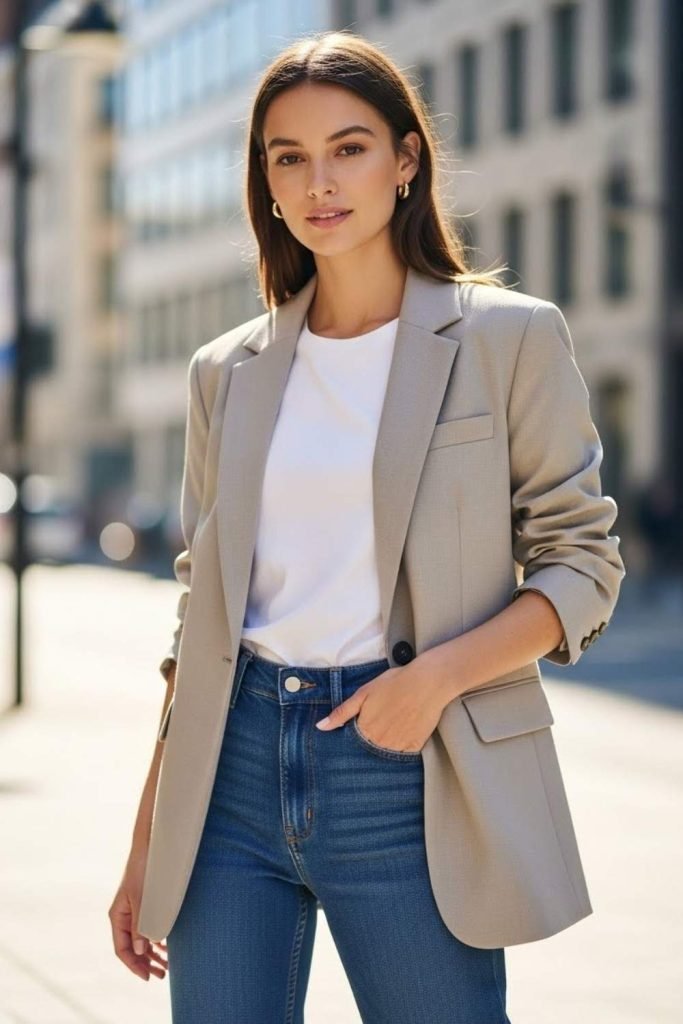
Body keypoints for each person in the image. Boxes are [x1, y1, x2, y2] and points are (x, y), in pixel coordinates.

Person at [108, 30, 625, 1023]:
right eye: (288, 157)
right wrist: (147, 843)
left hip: (409, 769)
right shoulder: (225, 372)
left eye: (347, 148)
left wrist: (432, 681)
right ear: (264, 183)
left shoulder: (506, 336)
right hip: (230, 780)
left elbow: (580, 562)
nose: (319, 182)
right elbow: (199, 619)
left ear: (405, 160)